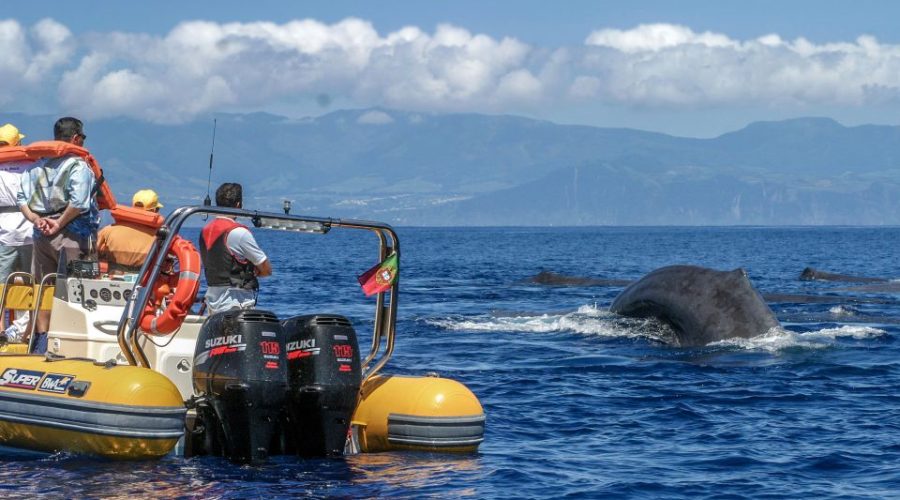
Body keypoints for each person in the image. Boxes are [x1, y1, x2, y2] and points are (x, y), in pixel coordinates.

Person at [17, 117, 99, 353]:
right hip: (74, 235)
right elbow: (79, 203)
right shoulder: (78, 166)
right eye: (82, 138)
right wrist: (58, 223)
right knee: (78, 287)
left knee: (44, 286)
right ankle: (75, 342)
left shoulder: (36, 166)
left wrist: (37, 220)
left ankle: (41, 341)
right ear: (75, 138)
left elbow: (22, 200)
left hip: (41, 235)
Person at [199, 183, 271, 314]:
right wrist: (253, 272)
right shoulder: (239, 233)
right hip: (236, 305)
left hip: (213, 305)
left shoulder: (204, 231)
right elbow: (266, 269)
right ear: (238, 205)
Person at [0, 124, 33, 343]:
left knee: (1, 284)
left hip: (3, 231)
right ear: (17, 144)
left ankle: (1, 330)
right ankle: (25, 331)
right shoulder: (30, 167)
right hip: (29, 228)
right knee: (29, 282)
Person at [97, 189, 162, 273]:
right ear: (154, 211)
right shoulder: (160, 236)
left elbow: (92, 251)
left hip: (113, 276)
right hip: (144, 280)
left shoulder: (107, 230)